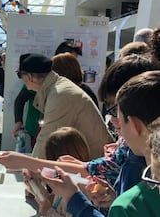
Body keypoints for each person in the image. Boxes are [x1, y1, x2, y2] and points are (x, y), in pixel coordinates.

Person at [40, 70, 160, 217]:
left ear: (135, 125)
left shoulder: (130, 205)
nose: (116, 125)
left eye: (118, 117)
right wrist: (115, 197)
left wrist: (74, 198)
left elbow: (128, 209)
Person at [17, 53, 112, 159]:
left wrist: (31, 168)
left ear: (30, 77)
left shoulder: (60, 95)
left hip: (97, 164)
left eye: (21, 76)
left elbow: (47, 139)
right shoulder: (58, 88)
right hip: (93, 159)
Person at [26, 127, 91, 216]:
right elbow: (54, 202)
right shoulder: (72, 181)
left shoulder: (80, 188)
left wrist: (47, 210)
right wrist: (35, 185)